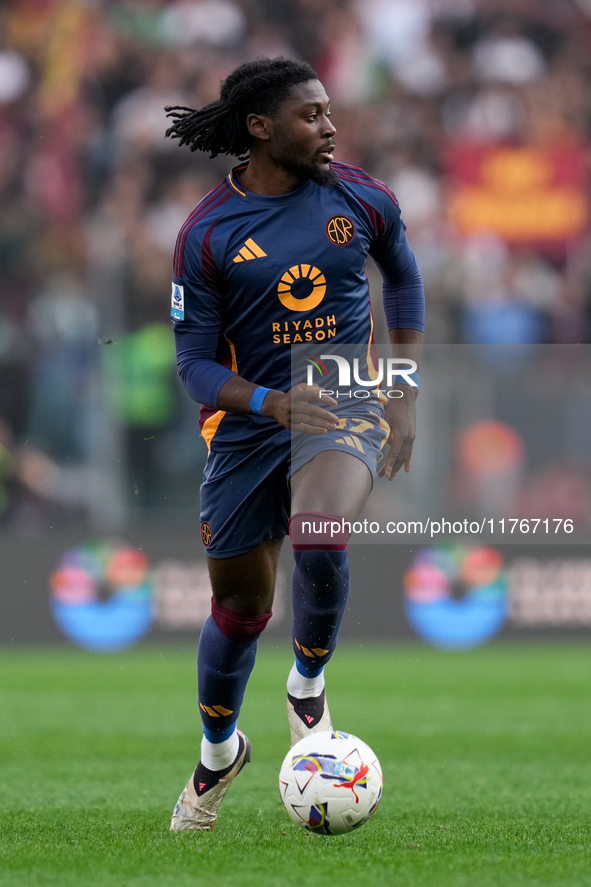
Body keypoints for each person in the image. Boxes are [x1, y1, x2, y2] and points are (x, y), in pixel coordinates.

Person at [164, 57, 424, 831]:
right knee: (240, 608)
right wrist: (268, 402)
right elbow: (194, 366)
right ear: (259, 126)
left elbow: (402, 278)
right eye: (310, 116)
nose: (329, 126)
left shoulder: (362, 196)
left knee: (318, 535)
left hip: (340, 390)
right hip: (247, 424)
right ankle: (219, 753)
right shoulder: (208, 232)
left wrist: (402, 396)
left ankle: (306, 683)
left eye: (329, 111)